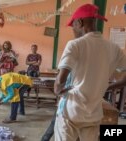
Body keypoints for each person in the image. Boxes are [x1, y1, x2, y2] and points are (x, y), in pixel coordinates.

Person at [54, 4, 126, 141]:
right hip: (93, 113)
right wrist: (108, 87)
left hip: (71, 111)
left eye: (73, 26)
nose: (73, 30)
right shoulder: (114, 48)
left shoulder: (75, 44)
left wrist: (58, 90)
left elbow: (59, 82)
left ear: (79, 22)